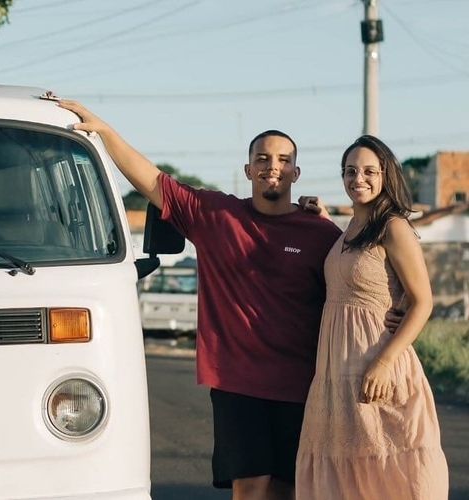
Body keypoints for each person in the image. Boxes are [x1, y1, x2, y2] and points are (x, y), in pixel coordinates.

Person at [57, 99, 342, 500]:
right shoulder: (217, 215)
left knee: (289, 489)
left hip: (301, 385)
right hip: (237, 382)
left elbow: (355, 286)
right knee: (250, 487)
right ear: (248, 170)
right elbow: (153, 182)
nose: (271, 166)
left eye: (282, 160)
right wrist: (104, 132)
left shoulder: (321, 235)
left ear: (296, 172)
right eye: (262, 158)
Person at [295, 135, 449, 499]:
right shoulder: (349, 230)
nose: (357, 178)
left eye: (368, 171)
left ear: (385, 175)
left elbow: (422, 301)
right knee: (348, 481)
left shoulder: (393, 227)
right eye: (350, 171)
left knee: (390, 476)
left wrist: (384, 362)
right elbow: (352, 266)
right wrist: (324, 218)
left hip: (377, 368)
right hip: (335, 372)